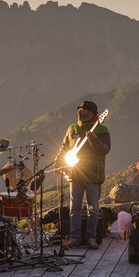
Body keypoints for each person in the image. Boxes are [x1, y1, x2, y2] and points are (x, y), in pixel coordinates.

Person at [54, 101, 111, 250]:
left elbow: (105, 150)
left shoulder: (101, 129)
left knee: (93, 208)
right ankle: (75, 237)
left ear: (92, 113)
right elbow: (64, 148)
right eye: (79, 109)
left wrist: (94, 140)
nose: (80, 111)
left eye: (84, 109)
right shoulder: (72, 128)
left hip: (93, 175)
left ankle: (91, 237)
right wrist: (57, 163)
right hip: (75, 174)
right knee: (75, 209)